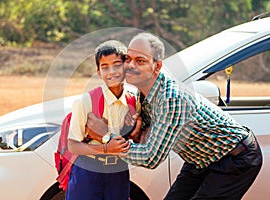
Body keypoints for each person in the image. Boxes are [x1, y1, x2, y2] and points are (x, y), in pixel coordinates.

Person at [86, 32, 263, 199]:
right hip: (200, 159)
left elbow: (151, 157)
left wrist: (106, 137)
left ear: (157, 66)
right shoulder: (142, 90)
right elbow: (143, 134)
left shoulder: (171, 99)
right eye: (128, 58)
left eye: (140, 61)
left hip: (234, 158)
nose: (131, 65)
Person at [66, 40, 132, 200]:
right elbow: (73, 145)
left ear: (126, 66)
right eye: (105, 67)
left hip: (119, 170)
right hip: (88, 170)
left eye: (117, 65)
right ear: (98, 71)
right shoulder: (86, 101)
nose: (112, 72)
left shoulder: (133, 100)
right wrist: (106, 149)